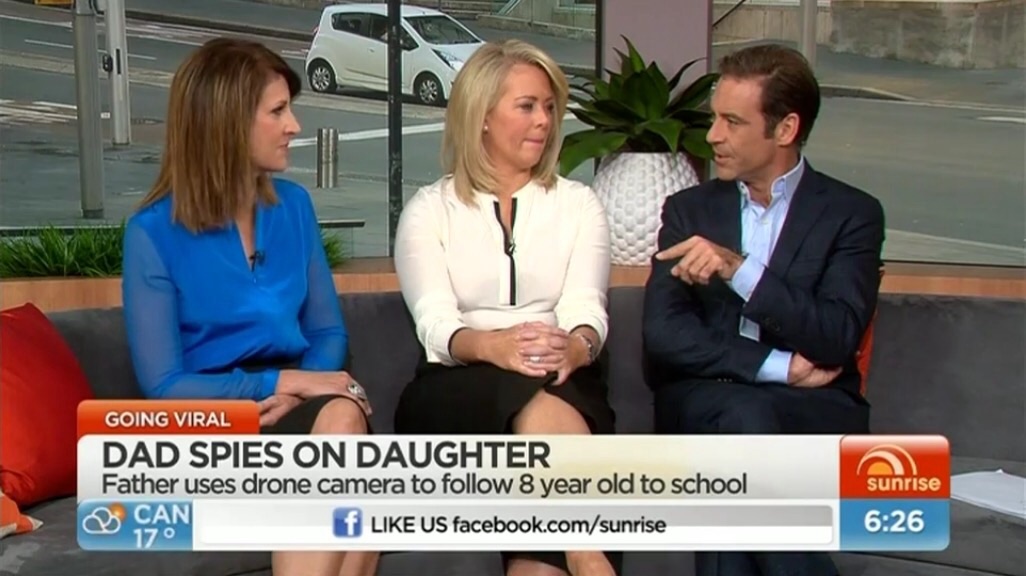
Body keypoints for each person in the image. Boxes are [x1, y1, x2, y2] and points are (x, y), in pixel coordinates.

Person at [120, 37, 379, 576]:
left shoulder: (295, 207)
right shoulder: (151, 233)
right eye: (278, 111)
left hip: (301, 413)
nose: (295, 126)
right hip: (215, 423)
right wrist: (277, 384)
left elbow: (327, 332)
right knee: (351, 463)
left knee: (345, 433)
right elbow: (164, 385)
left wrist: (301, 387)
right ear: (227, 123)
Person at [642, 44, 885, 576]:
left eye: (732, 122)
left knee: (734, 469)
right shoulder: (689, 211)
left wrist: (739, 270)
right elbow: (663, 336)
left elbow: (836, 335)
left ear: (786, 128)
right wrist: (778, 366)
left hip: (811, 413)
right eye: (714, 118)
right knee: (742, 419)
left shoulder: (852, 215)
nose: (713, 136)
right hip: (705, 402)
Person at [392, 39, 620, 576]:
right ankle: (589, 554)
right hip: (456, 387)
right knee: (535, 404)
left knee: (546, 406)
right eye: (527, 106)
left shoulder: (578, 205)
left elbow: (587, 308)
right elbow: (436, 324)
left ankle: (575, 555)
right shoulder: (430, 210)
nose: (544, 121)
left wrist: (577, 347)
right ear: (483, 117)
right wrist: (494, 346)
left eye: (549, 107)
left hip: (562, 375)